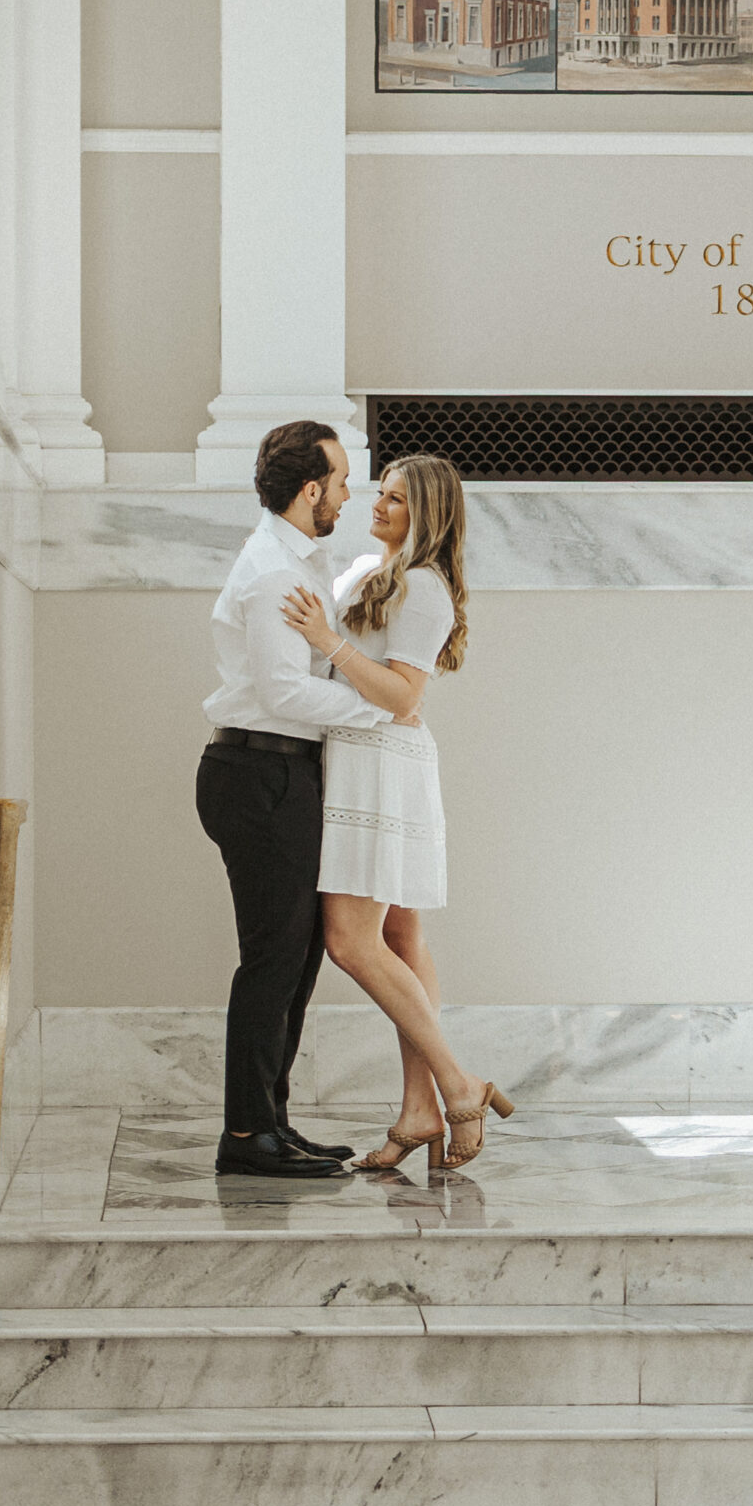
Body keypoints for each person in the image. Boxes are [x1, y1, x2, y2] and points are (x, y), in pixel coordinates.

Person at [279, 455, 512, 1170]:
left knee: (351, 940)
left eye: (397, 499)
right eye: (378, 492)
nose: (377, 505)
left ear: (430, 514)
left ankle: (457, 1083)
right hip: (358, 760)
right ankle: (419, 1110)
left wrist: (327, 641)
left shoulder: (426, 588)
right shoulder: (366, 571)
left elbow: (404, 695)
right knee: (404, 937)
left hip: (379, 770)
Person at [196, 421, 402, 1179]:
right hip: (259, 774)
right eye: (343, 481)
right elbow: (283, 691)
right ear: (310, 489)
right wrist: (381, 708)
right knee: (273, 958)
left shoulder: (298, 561)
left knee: (299, 954)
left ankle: (272, 1120)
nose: (350, 495)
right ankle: (248, 1135)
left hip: (280, 773)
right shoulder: (275, 573)